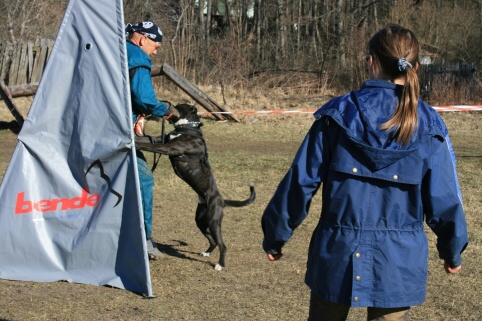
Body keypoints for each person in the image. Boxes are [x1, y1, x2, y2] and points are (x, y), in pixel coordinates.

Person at [261, 24, 468, 321]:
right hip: (399, 263)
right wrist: (453, 249)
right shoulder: (429, 124)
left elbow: (300, 181)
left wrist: (276, 235)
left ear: (371, 61)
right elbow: (446, 199)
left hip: (336, 255)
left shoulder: (337, 115)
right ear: (416, 68)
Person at [125, 21, 180, 259]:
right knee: (144, 179)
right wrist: (165, 111)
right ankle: (143, 240)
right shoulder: (137, 57)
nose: (155, 51)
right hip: (115, 132)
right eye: (155, 46)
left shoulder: (116, 49)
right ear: (142, 39)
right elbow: (145, 98)